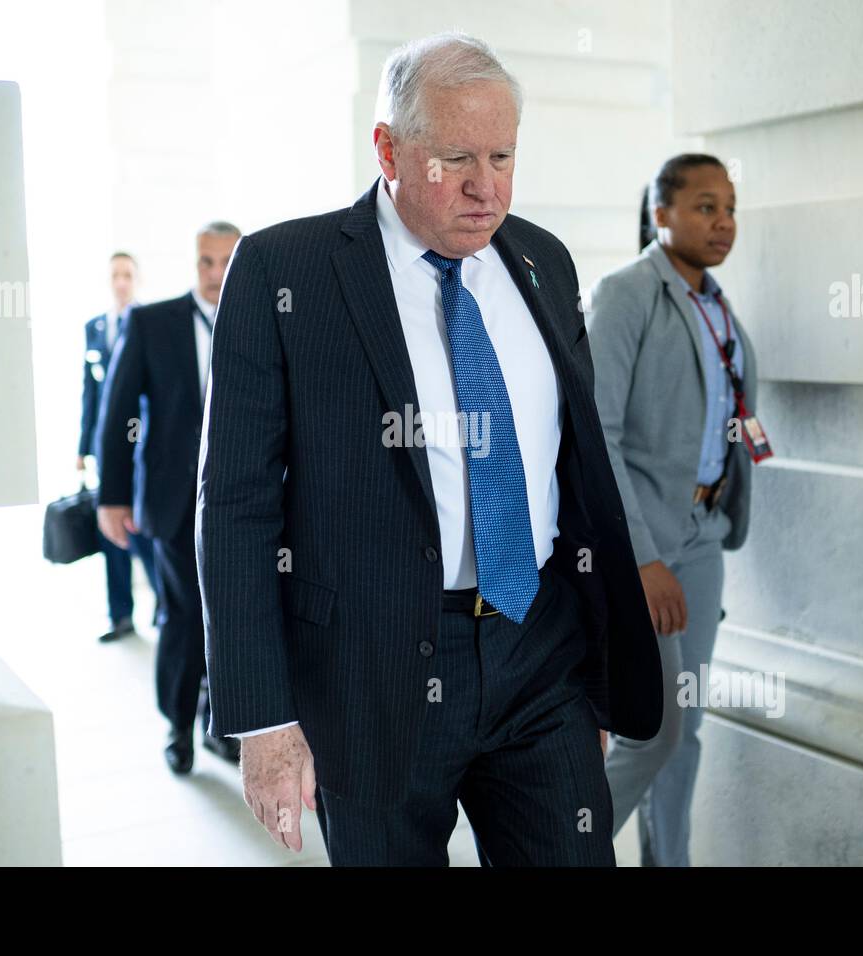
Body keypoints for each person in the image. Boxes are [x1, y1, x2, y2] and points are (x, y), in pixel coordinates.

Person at [196, 32, 661, 866]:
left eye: (503, 156)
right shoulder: (284, 270)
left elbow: (577, 468)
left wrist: (594, 663)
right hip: (369, 673)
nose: (488, 188)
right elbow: (235, 504)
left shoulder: (541, 260)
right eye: (456, 158)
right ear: (388, 148)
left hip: (538, 647)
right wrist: (264, 720)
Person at [589, 153, 765, 866]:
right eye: (704, 206)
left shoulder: (715, 304)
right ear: (661, 213)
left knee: (685, 727)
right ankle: (554, 849)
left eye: (729, 208)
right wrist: (641, 558)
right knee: (653, 730)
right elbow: (596, 432)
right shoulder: (627, 293)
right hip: (647, 542)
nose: (722, 222)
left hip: (703, 535)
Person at [96, 223, 243, 773]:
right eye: (207, 261)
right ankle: (178, 726)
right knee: (184, 614)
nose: (216, 274)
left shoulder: (266, 316)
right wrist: (112, 497)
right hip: (175, 502)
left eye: (228, 261)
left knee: (232, 618)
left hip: (245, 503)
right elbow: (118, 413)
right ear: (194, 264)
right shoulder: (152, 322)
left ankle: (219, 722)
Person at [78, 251, 162, 643]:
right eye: (115, 275)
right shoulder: (94, 328)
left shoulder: (153, 323)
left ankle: (166, 604)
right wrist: (83, 447)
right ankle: (120, 615)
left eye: (128, 274)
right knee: (109, 532)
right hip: (107, 450)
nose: (121, 281)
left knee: (144, 528)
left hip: (144, 447)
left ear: (138, 279)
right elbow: (89, 395)